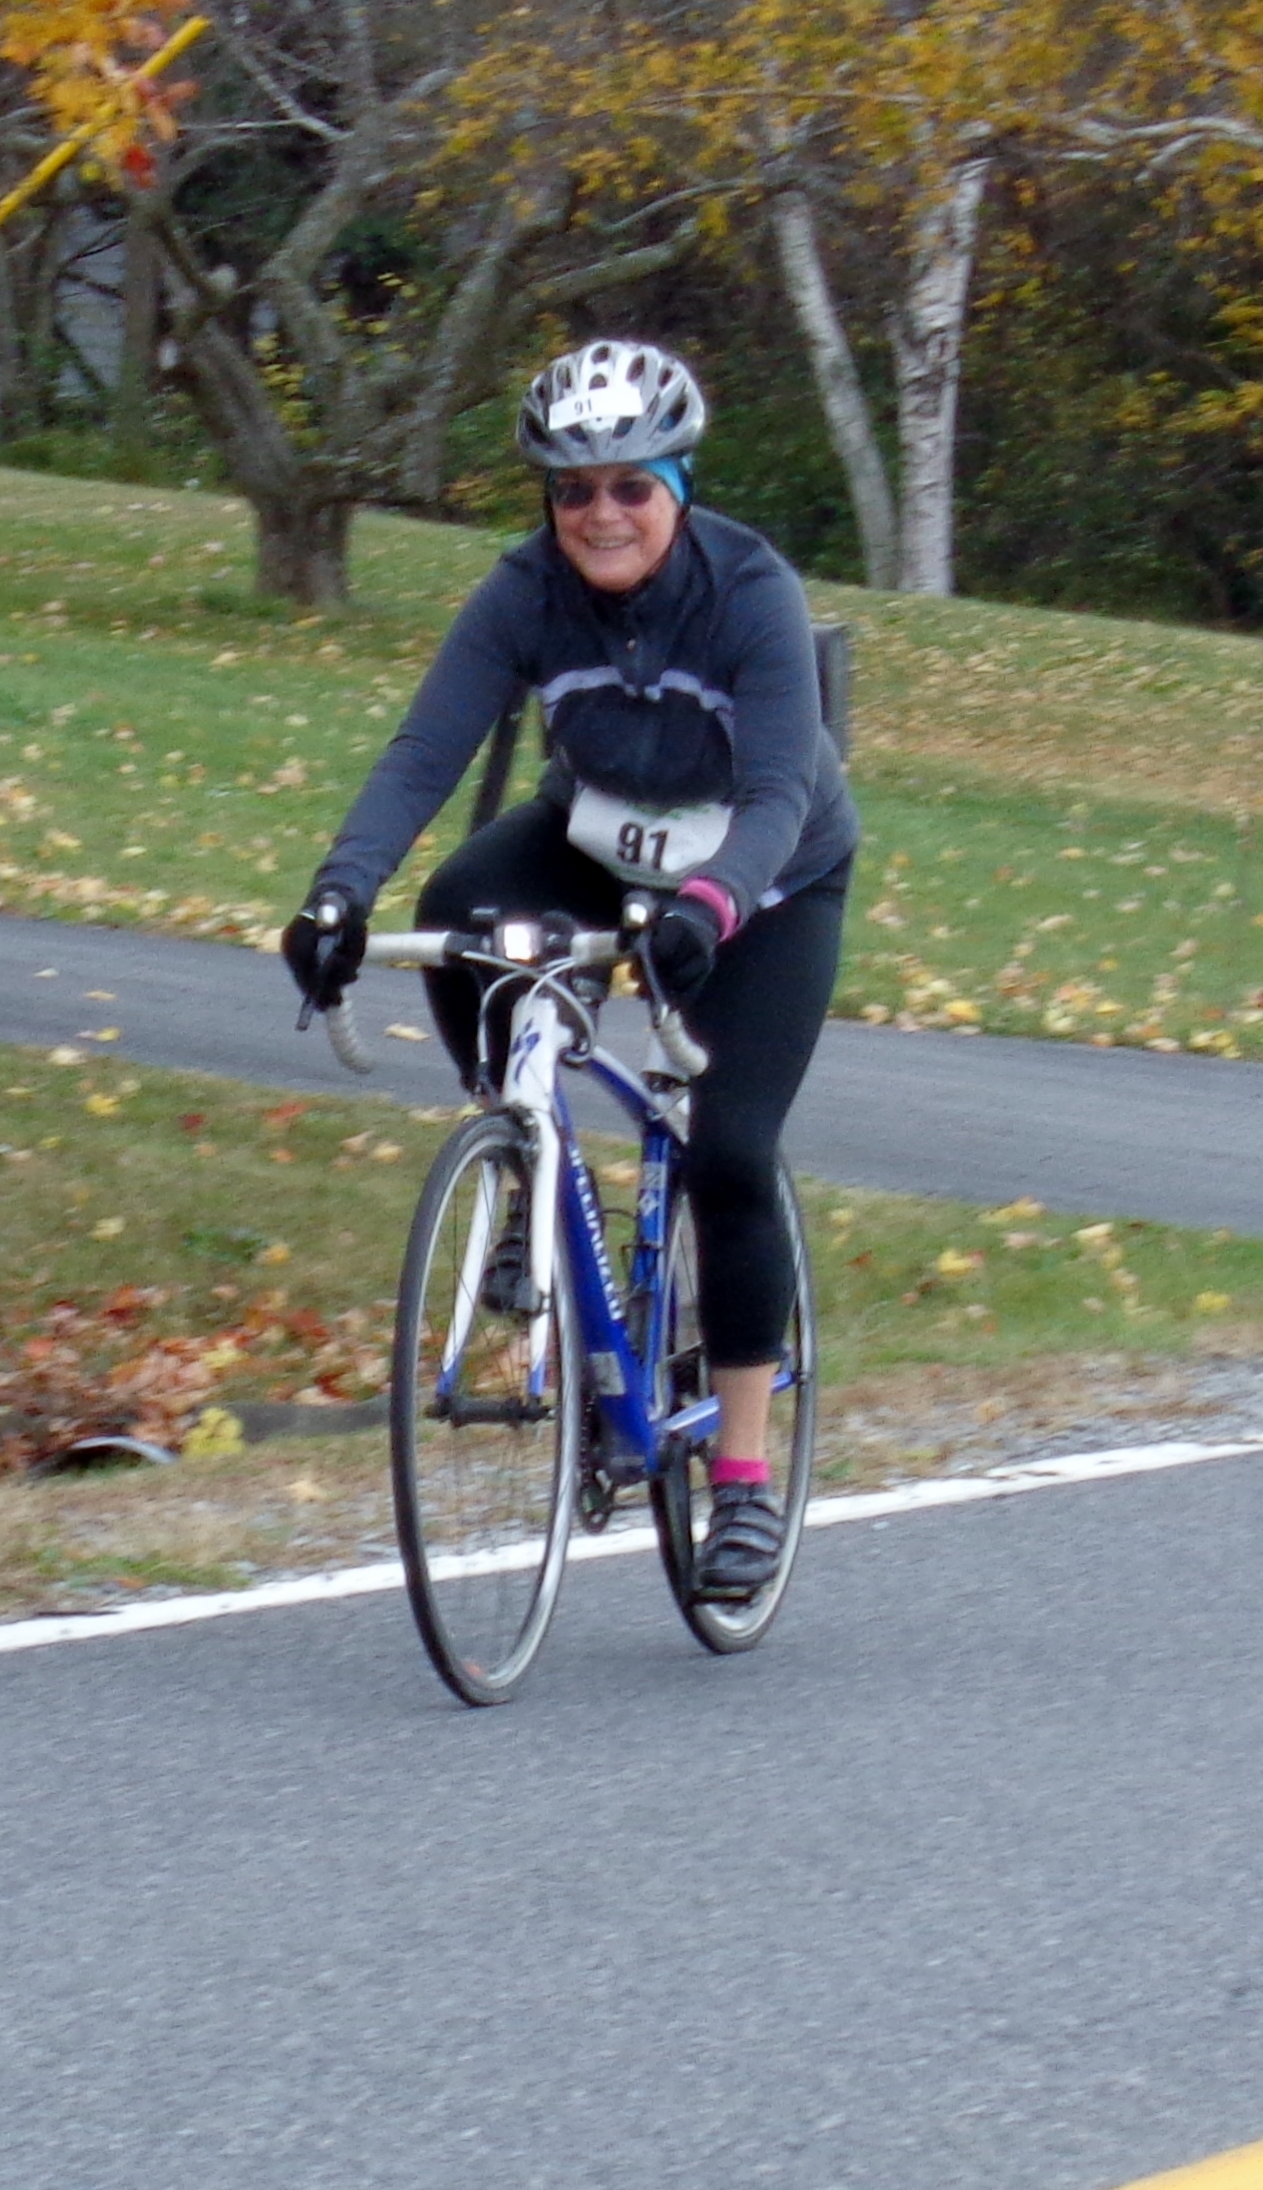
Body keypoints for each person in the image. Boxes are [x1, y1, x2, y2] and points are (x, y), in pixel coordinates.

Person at [281, 339, 858, 1600]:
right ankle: (533, 1163)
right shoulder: (523, 590)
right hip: (598, 836)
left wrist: (711, 905)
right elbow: (424, 751)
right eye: (572, 490)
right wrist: (336, 891)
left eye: (631, 486)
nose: (601, 513)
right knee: (459, 914)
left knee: (728, 1151)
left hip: (765, 874)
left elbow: (777, 789)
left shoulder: (747, 589)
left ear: (677, 487)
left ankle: (742, 1481)